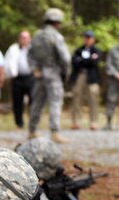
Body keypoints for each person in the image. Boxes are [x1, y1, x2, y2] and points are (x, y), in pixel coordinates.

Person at [28, 8, 71, 143]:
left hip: (39, 74)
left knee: (37, 103)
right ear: (57, 22)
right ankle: (55, 132)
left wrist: (35, 69)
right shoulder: (56, 36)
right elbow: (65, 58)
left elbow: (30, 55)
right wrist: (66, 73)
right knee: (55, 102)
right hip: (53, 74)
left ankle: (32, 130)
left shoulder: (37, 35)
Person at [70, 30, 102, 130]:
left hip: (92, 77)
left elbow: (94, 62)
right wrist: (87, 61)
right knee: (76, 97)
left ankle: (93, 121)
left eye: (89, 38)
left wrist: (83, 61)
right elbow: (75, 62)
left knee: (93, 98)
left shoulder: (96, 50)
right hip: (79, 75)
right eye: (86, 37)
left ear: (93, 39)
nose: (87, 39)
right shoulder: (78, 50)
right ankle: (76, 121)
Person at [4, 30, 34, 129]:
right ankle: (19, 123)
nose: (24, 40)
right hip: (17, 78)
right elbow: (7, 62)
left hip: (30, 77)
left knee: (33, 100)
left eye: (26, 37)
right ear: (19, 39)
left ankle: (33, 122)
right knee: (17, 101)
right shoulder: (13, 49)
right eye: (22, 37)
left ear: (30, 39)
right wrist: (9, 75)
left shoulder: (33, 49)